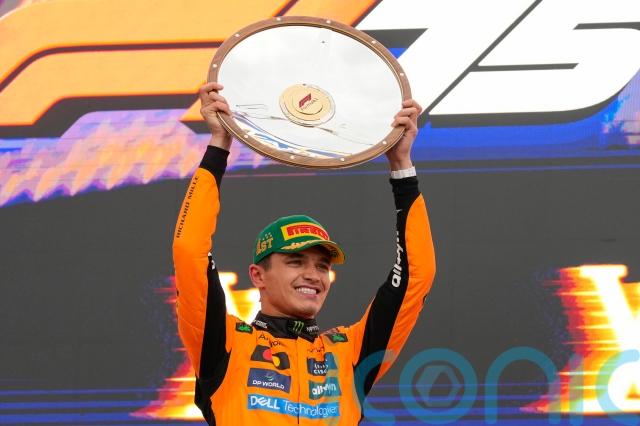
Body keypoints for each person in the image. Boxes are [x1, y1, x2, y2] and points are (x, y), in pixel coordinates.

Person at [172, 82, 436, 425]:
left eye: (322, 266)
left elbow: (417, 276)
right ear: (258, 275)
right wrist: (219, 145)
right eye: (295, 261)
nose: (313, 275)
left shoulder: (349, 353)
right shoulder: (225, 344)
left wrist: (401, 166)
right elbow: (189, 250)